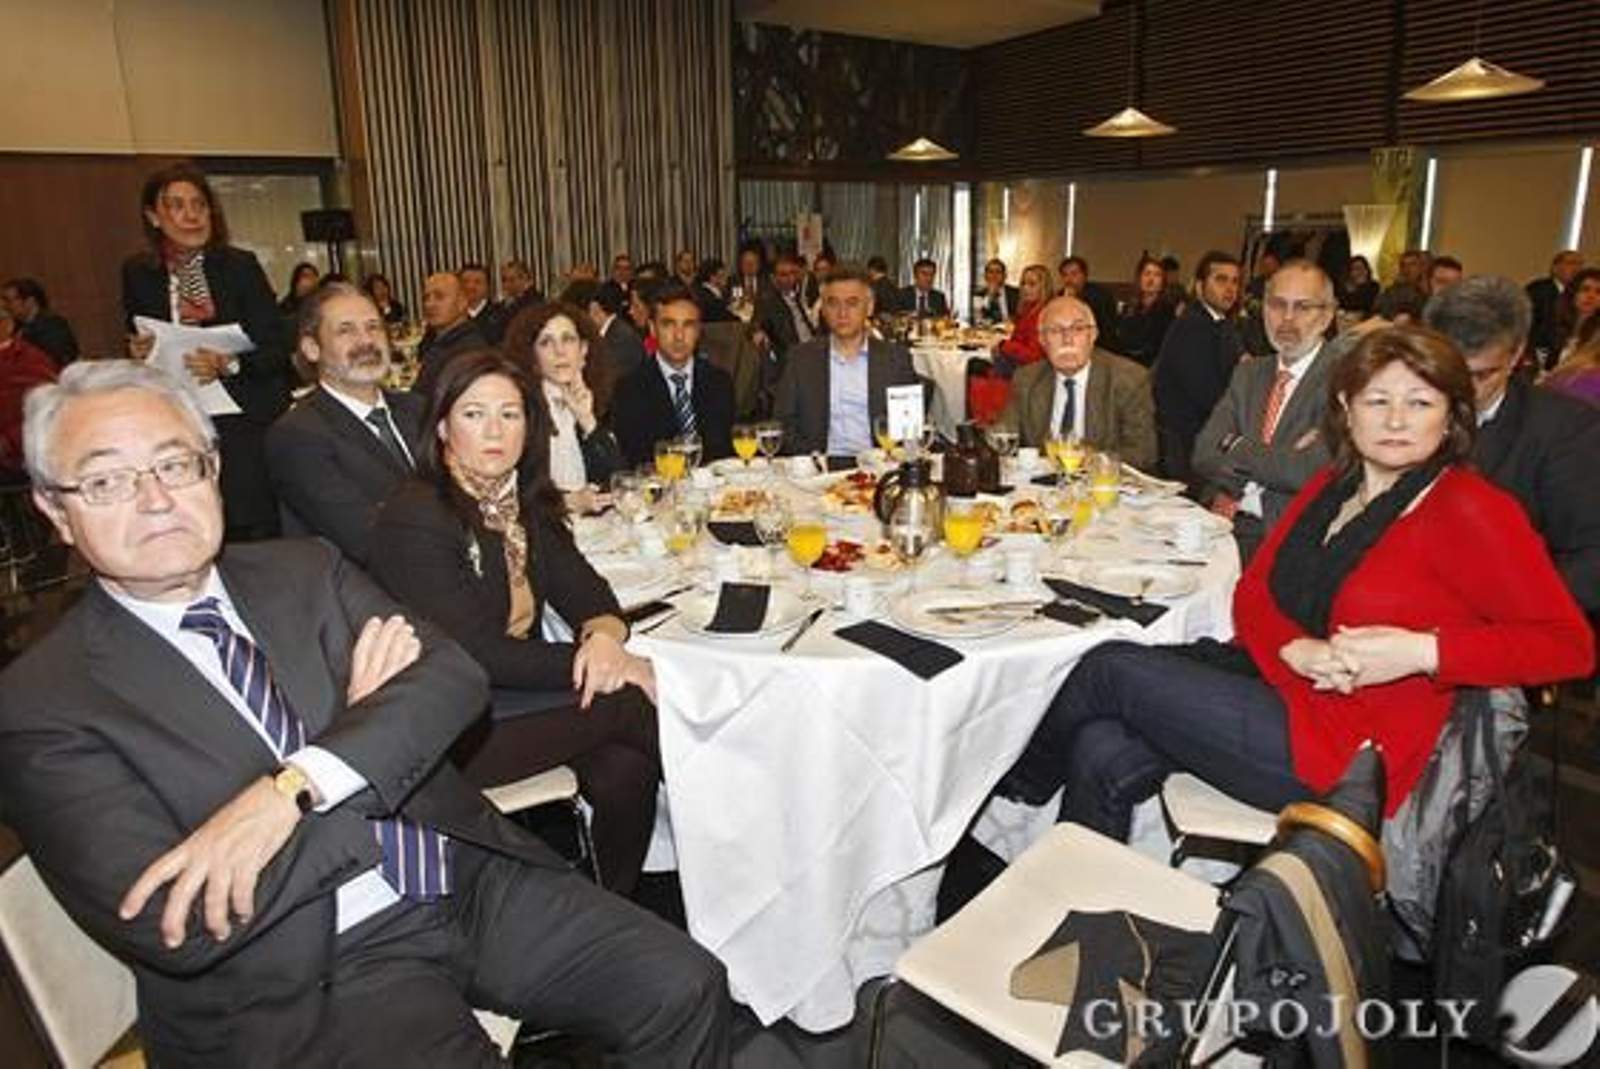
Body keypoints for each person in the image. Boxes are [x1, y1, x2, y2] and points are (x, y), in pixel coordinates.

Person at [1, 359, 729, 1067]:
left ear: (213, 470)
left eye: (175, 464)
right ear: (55, 511)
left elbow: (451, 677)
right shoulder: (43, 703)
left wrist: (293, 787)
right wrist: (369, 735)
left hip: (457, 873)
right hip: (308, 967)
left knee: (686, 985)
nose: (156, 499)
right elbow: (184, 921)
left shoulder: (303, 570)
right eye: (106, 481)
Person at [1004, 327, 1594, 841]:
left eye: (1420, 403)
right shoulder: (1330, 487)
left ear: (1450, 416)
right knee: (1100, 745)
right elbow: (1252, 594)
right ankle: (1084, 911)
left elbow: (1568, 645)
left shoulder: (1471, 509)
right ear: (1346, 407)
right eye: (1377, 400)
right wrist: (1294, 647)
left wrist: (1422, 652)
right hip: (1279, 683)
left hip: (1352, 747)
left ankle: (1010, 793)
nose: (1395, 421)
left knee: (1108, 666)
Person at [370, 351, 660, 893]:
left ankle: (611, 907)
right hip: (447, 722)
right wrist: (605, 664)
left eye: (510, 414)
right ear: (442, 427)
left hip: (516, 697)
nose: (495, 431)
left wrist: (603, 640)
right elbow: (477, 652)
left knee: (625, 766)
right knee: (632, 701)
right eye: (474, 414)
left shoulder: (523, 501)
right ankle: (747, 825)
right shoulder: (417, 514)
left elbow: (589, 591)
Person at [122, 162, 292, 541]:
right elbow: (137, 334)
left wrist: (230, 364)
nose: (192, 215)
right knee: (195, 524)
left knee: (251, 526)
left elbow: (277, 346)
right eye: (177, 206)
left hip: (244, 414)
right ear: (153, 216)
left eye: (199, 204)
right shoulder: (138, 273)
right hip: (180, 416)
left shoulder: (240, 267)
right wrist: (137, 350)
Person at [1423, 275, 1600, 614]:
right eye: (1448, 370)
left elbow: (1590, 557)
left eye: (1481, 375)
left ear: (1517, 353)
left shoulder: (1566, 430)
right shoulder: (1392, 410)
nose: (1462, 388)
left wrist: (1502, 621)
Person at [265, 282, 425, 565]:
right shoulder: (297, 436)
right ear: (312, 349)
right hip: (368, 585)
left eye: (373, 327)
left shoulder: (418, 409)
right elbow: (366, 539)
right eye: (346, 330)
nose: (366, 341)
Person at [1193, 259, 1339, 561]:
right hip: (1217, 523)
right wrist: (1277, 462)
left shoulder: (1345, 380)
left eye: (1302, 307)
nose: (1287, 318)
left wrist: (1235, 445)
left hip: (1284, 538)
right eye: (1277, 304)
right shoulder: (1249, 373)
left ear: (1327, 316)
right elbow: (1204, 453)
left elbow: (1308, 473)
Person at [772, 268, 924, 457]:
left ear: (869, 307)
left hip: (879, 464)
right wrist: (812, 460)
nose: (842, 313)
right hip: (819, 465)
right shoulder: (801, 359)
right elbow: (783, 424)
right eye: (833, 303)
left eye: (852, 303)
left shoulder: (895, 359)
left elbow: (908, 429)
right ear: (823, 310)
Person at [994, 295, 1156, 471]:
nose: (1067, 339)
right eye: (1055, 330)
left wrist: (1091, 460)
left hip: (1101, 483)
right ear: (1042, 340)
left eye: (1078, 329)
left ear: (1093, 335)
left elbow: (1144, 452)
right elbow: (1004, 434)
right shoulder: (1027, 379)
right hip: (1041, 483)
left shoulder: (1128, 379)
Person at [503, 300, 623, 513]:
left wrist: (587, 421)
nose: (559, 351)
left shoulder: (594, 397)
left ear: (583, 350)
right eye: (545, 343)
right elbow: (511, 497)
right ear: (532, 357)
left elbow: (618, 480)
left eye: (568, 339)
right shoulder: (519, 411)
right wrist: (567, 502)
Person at [611, 282, 735, 466]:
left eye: (688, 325)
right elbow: (634, 459)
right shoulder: (629, 388)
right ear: (652, 329)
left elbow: (724, 454)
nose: (679, 336)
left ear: (699, 331)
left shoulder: (720, 382)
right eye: (668, 325)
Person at [1152, 251, 1244, 486]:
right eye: (1221, 279)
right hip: (1185, 445)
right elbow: (1208, 394)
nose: (1230, 288)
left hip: (1202, 434)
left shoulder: (1220, 323)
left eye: (1235, 281)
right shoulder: (1192, 326)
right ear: (1200, 286)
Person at [0, 308, 57, 478]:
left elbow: (45, 411)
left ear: (7, 325)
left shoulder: (29, 359)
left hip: (16, 459)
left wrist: (7, 443)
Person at [414, 271, 488, 398]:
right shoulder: (442, 339)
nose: (429, 304)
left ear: (462, 302)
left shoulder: (467, 351)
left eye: (439, 296)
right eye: (426, 298)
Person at [1110, 255, 1176, 368]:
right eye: (1147, 274)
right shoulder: (1129, 307)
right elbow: (1120, 339)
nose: (1151, 279)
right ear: (1139, 278)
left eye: (1157, 275)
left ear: (1163, 282)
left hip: (1151, 366)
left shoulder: (1168, 310)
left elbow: (1161, 347)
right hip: (1124, 364)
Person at [989, 264, 1055, 375]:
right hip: (1019, 364)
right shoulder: (1028, 309)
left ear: (1044, 287)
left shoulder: (1044, 314)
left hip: (1029, 372)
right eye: (1023, 283)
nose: (1025, 288)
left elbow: (1033, 356)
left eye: (1032, 284)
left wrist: (1003, 345)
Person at [0, 277, 80, 366]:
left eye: (8, 300)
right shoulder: (17, 328)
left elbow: (57, 361)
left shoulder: (52, 325)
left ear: (30, 301)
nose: (4, 306)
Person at [1526, 250, 1583, 362]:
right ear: (1555, 268)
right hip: (1537, 352)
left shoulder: (1578, 295)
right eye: (1571, 263)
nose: (1576, 269)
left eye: (1580, 265)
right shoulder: (1538, 289)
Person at [1551, 267, 1600, 370]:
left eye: (1598, 292)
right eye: (1585, 289)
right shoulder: (1555, 326)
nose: (1591, 296)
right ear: (1573, 293)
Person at [1056, 255, 1118, 336]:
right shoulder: (1060, 296)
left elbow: (1103, 327)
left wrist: (1074, 301)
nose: (1069, 279)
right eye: (1065, 275)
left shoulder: (1099, 295)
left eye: (1074, 274)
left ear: (1084, 275)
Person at [975, 258, 1021, 325]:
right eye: (991, 272)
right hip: (987, 330)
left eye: (998, 272)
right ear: (985, 276)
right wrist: (989, 297)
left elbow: (1019, 316)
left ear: (1005, 276)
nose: (994, 275)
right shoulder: (979, 294)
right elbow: (978, 318)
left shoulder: (1015, 293)